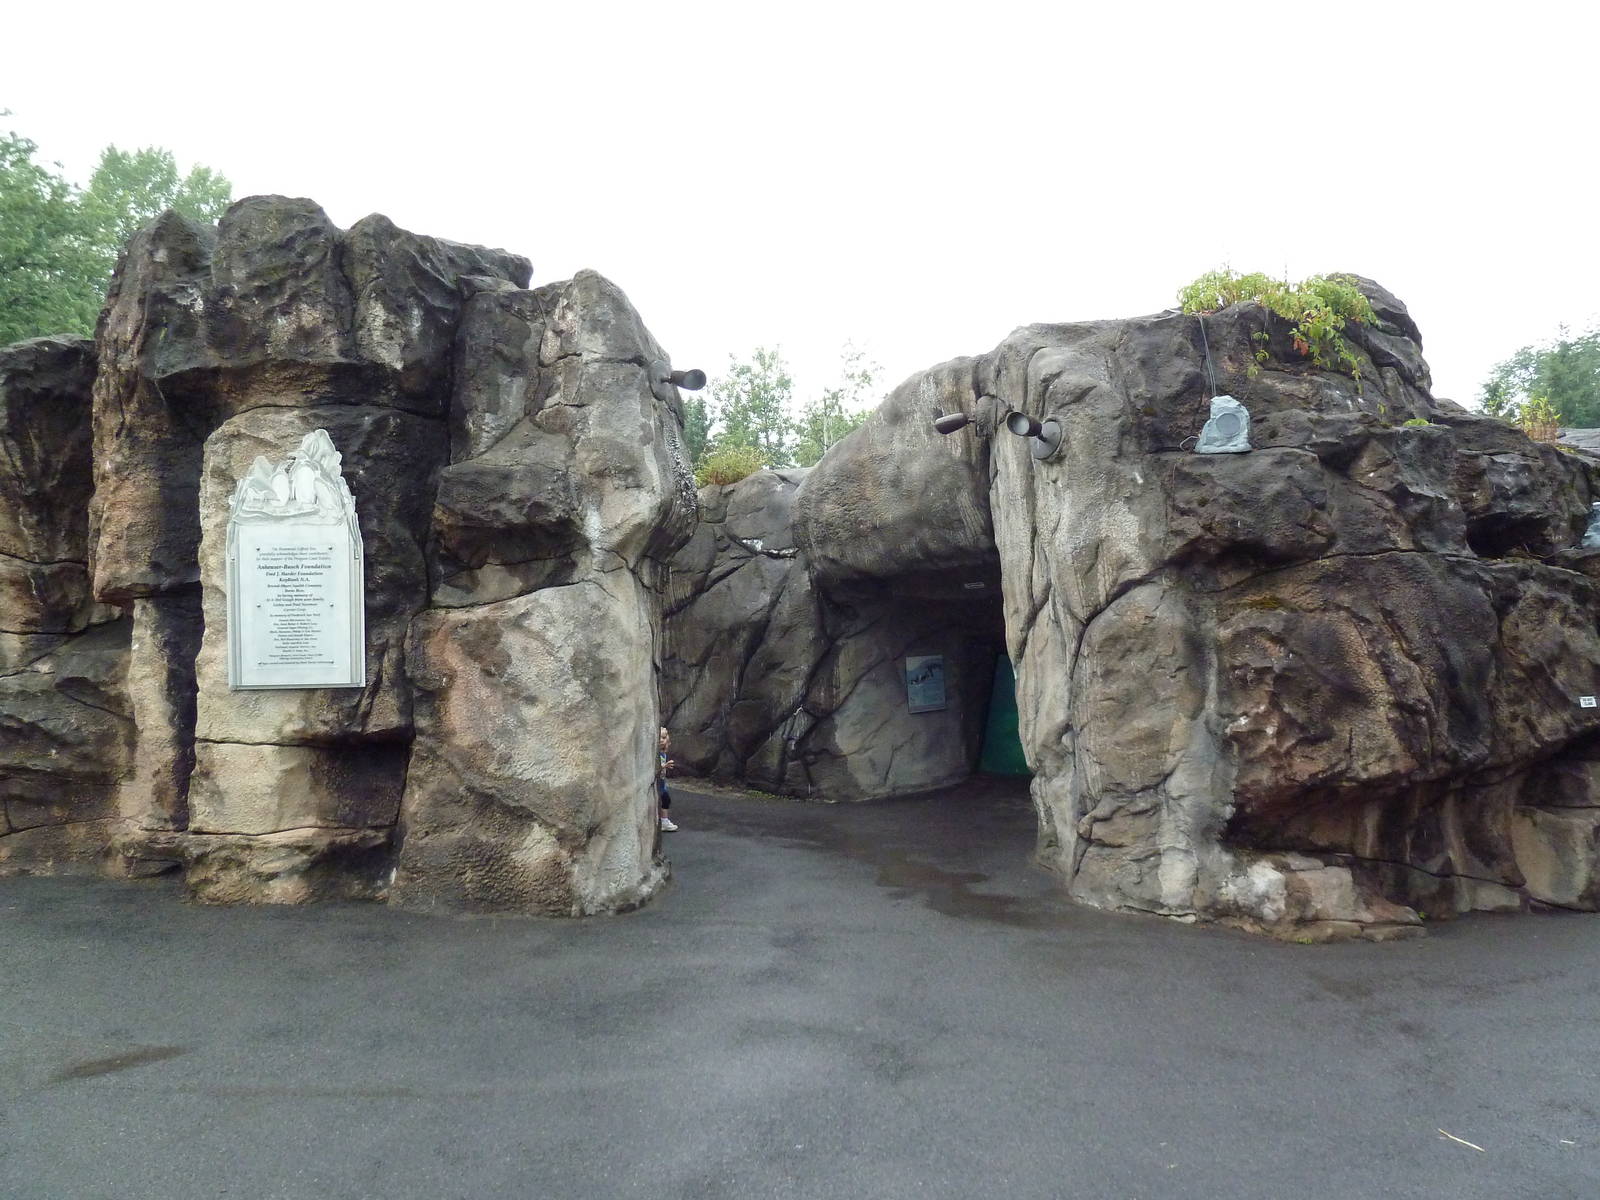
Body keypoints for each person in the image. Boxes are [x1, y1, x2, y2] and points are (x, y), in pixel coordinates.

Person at [657, 727, 678, 831]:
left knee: (665, 799)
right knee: (664, 799)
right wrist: (664, 766)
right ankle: (663, 821)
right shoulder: (656, 753)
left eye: (664, 737)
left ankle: (664, 821)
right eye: (659, 737)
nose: (661, 740)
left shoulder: (663, 753)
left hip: (661, 782)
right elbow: (654, 767)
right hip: (657, 783)